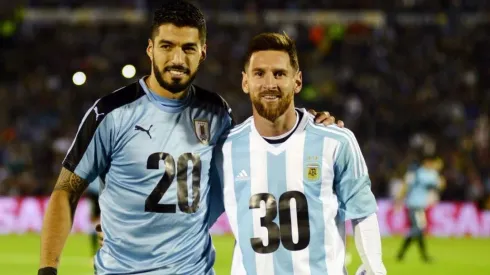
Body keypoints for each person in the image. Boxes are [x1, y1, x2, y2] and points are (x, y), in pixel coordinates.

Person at [38, 1, 340, 275]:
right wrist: (48, 269)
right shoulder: (110, 113)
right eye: (167, 46)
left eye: (188, 48)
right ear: (150, 49)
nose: (177, 58)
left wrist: (309, 124)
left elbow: (250, 166)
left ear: (203, 53)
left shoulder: (217, 113)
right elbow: (66, 190)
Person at [212, 32, 386, 275]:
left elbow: (362, 212)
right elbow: (194, 219)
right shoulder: (223, 149)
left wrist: (375, 268)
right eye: (259, 73)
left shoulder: (335, 141)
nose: (269, 84)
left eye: (280, 74)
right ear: (245, 82)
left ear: (298, 81)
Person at [396, 155, 445, 263]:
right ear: (426, 162)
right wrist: (399, 199)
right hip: (413, 205)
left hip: (421, 206)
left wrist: (439, 173)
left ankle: (401, 254)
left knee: (417, 230)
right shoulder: (419, 173)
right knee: (418, 229)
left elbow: (441, 186)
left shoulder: (432, 174)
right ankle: (423, 256)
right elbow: (406, 186)